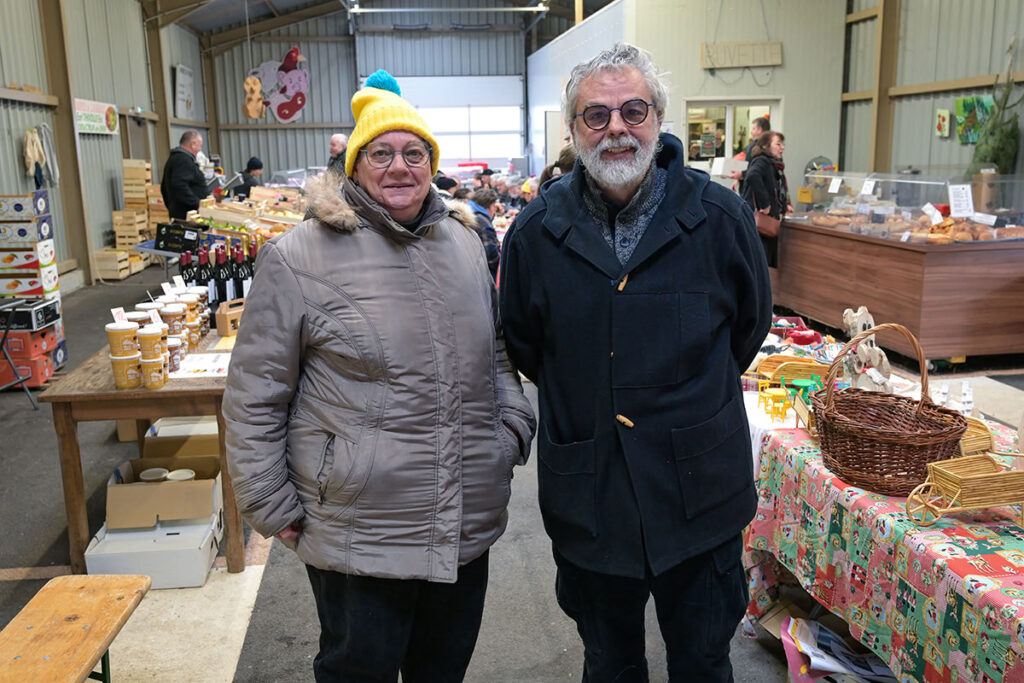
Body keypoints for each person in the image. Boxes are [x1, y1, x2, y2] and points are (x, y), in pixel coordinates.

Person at [223, 69, 535, 683]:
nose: (400, 166)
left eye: (414, 152)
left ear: (431, 163)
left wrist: (510, 432)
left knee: (442, 670)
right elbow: (255, 394)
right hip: (357, 530)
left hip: (463, 519)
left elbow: (496, 354)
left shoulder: (466, 245)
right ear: (355, 166)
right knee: (356, 672)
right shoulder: (298, 256)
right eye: (382, 153)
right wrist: (267, 499)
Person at [499, 43, 772, 682]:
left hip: (699, 495)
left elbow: (748, 327)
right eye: (596, 115)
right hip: (591, 495)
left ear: (658, 120)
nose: (616, 127)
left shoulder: (719, 218)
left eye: (633, 110)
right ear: (573, 129)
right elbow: (527, 343)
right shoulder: (536, 233)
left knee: (704, 659)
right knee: (609, 662)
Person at [740, 131, 790, 268]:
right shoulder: (763, 160)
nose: (782, 147)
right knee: (761, 260)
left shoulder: (773, 164)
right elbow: (753, 175)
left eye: (783, 144)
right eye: (778, 144)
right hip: (762, 222)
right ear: (765, 146)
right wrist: (765, 204)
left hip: (769, 221)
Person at [160, 130, 209, 219]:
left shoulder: (175, 158)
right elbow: (179, 185)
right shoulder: (183, 160)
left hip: (181, 213)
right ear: (193, 144)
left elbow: (164, 187)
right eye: (200, 146)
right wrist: (197, 203)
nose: (200, 149)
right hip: (187, 216)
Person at [466, 187, 501, 280]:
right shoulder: (483, 223)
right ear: (489, 205)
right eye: (494, 206)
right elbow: (492, 258)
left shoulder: (470, 214)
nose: (495, 210)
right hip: (485, 275)